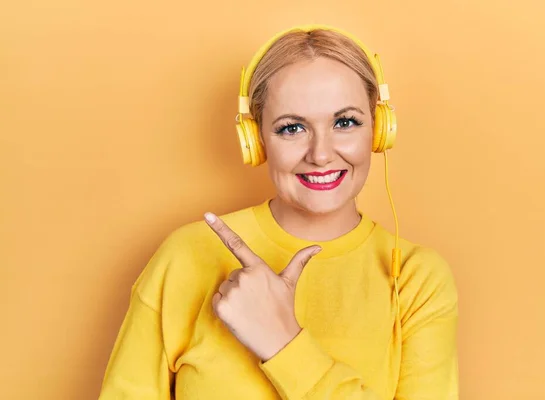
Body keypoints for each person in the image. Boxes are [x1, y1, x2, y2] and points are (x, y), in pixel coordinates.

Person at [98, 24, 459, 399]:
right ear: (256, 140)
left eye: (345, 122)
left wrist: (282, 340)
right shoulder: (187, 255)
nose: (320, 154)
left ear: (379, 129)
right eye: (292, 128)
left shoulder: (418, 280)